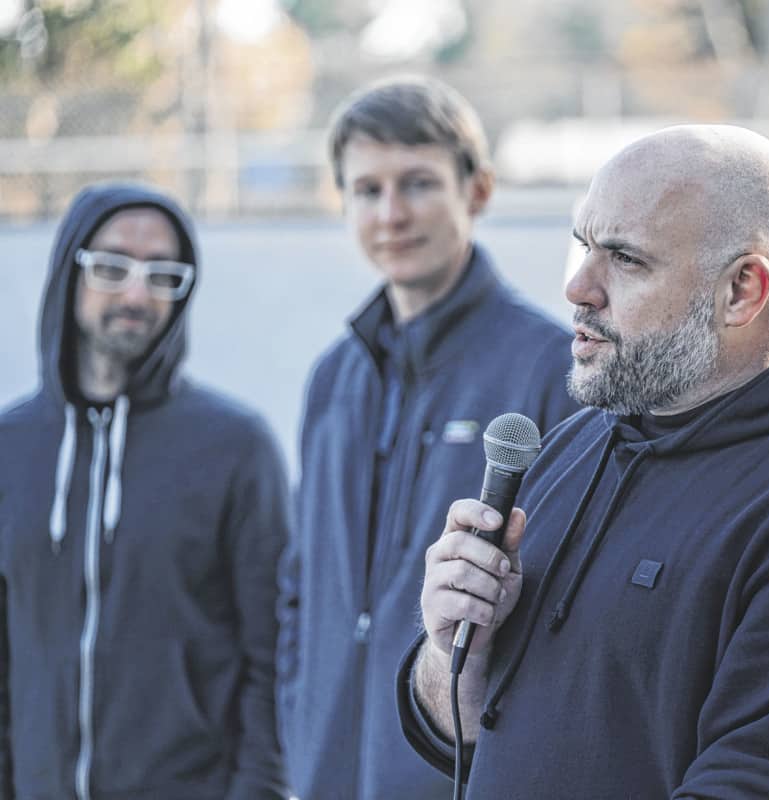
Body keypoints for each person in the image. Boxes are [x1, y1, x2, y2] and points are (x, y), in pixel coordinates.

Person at [397, 124, 769, 798]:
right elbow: (468, 740)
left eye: (626, 259)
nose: (579, 287)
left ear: (742, 290)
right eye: (583, 246)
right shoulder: (578, 448)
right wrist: (457, 651)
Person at [276, 75, 577, 799]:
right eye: (367, 190)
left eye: (417, 183)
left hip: (459, 778)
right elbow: (301, 588)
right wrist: (298, 730)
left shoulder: (551, 370)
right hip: (325, 776)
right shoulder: (332, 378)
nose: (392, 213)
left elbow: (566, 615)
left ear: (478, 190)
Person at [0, 183, 290, 799]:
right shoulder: (10, 446)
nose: (137, 293)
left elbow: (275, 659)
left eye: (162, 274)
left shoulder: (236, 447)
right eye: (112, 267)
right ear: (70, 269)